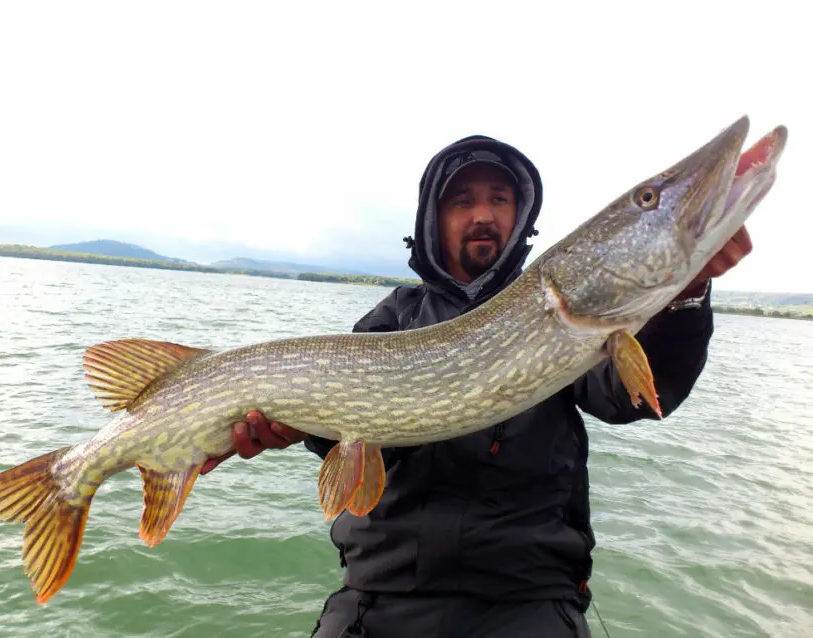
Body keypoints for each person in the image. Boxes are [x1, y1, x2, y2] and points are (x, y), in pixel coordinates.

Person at [200, 135, 752, 637]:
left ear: (521, 215)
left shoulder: (568, 317)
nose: (483, 213)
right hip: (381, 599)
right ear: (432, 218)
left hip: (529, 601)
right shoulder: (389, 321)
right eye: (462, 201)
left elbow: (632, 397)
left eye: (499, 198)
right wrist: (290, 428)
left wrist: (687, 294)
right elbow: (341, 435)